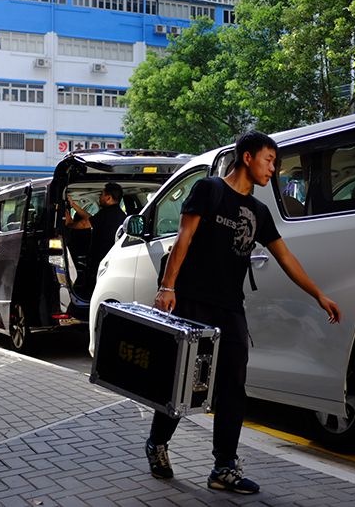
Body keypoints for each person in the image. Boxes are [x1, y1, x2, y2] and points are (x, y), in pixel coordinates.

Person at [146, 131, 341, 494]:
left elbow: (285, 257)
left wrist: (319, 295)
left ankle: (223, 467)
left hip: (230, 306)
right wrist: (167, 287)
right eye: (269, 160)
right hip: (193, 301)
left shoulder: (259, 212)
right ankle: (157, 442)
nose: (273, 169)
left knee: (233, 386)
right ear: (247, 157)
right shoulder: (209, 190)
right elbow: (184, 238)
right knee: (185, 381)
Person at [66, 182, 126, 292]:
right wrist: (73, 204)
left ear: (108, 197)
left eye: (101, 195)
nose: (99, 197)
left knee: (93, 287)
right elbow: (90, 218)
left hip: (99, 259)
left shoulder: (106, 213)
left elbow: (84, 224)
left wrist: (69, 224)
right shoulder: (122, 215)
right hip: (113, 258)